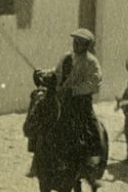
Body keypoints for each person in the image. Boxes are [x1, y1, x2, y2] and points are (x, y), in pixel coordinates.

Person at [26, 28, 103, 178]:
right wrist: (44, 73)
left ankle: (92, 161)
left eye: (80, 42)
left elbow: (94, 83)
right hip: (61, 97)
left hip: (80, 101)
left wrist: (74, 90)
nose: (76, 45)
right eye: (75, 41)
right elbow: (57, 72)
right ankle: (36, 157)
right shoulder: (67, 57)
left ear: (87, 45)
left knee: (92, 125)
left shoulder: (92, 62)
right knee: (40, 113)